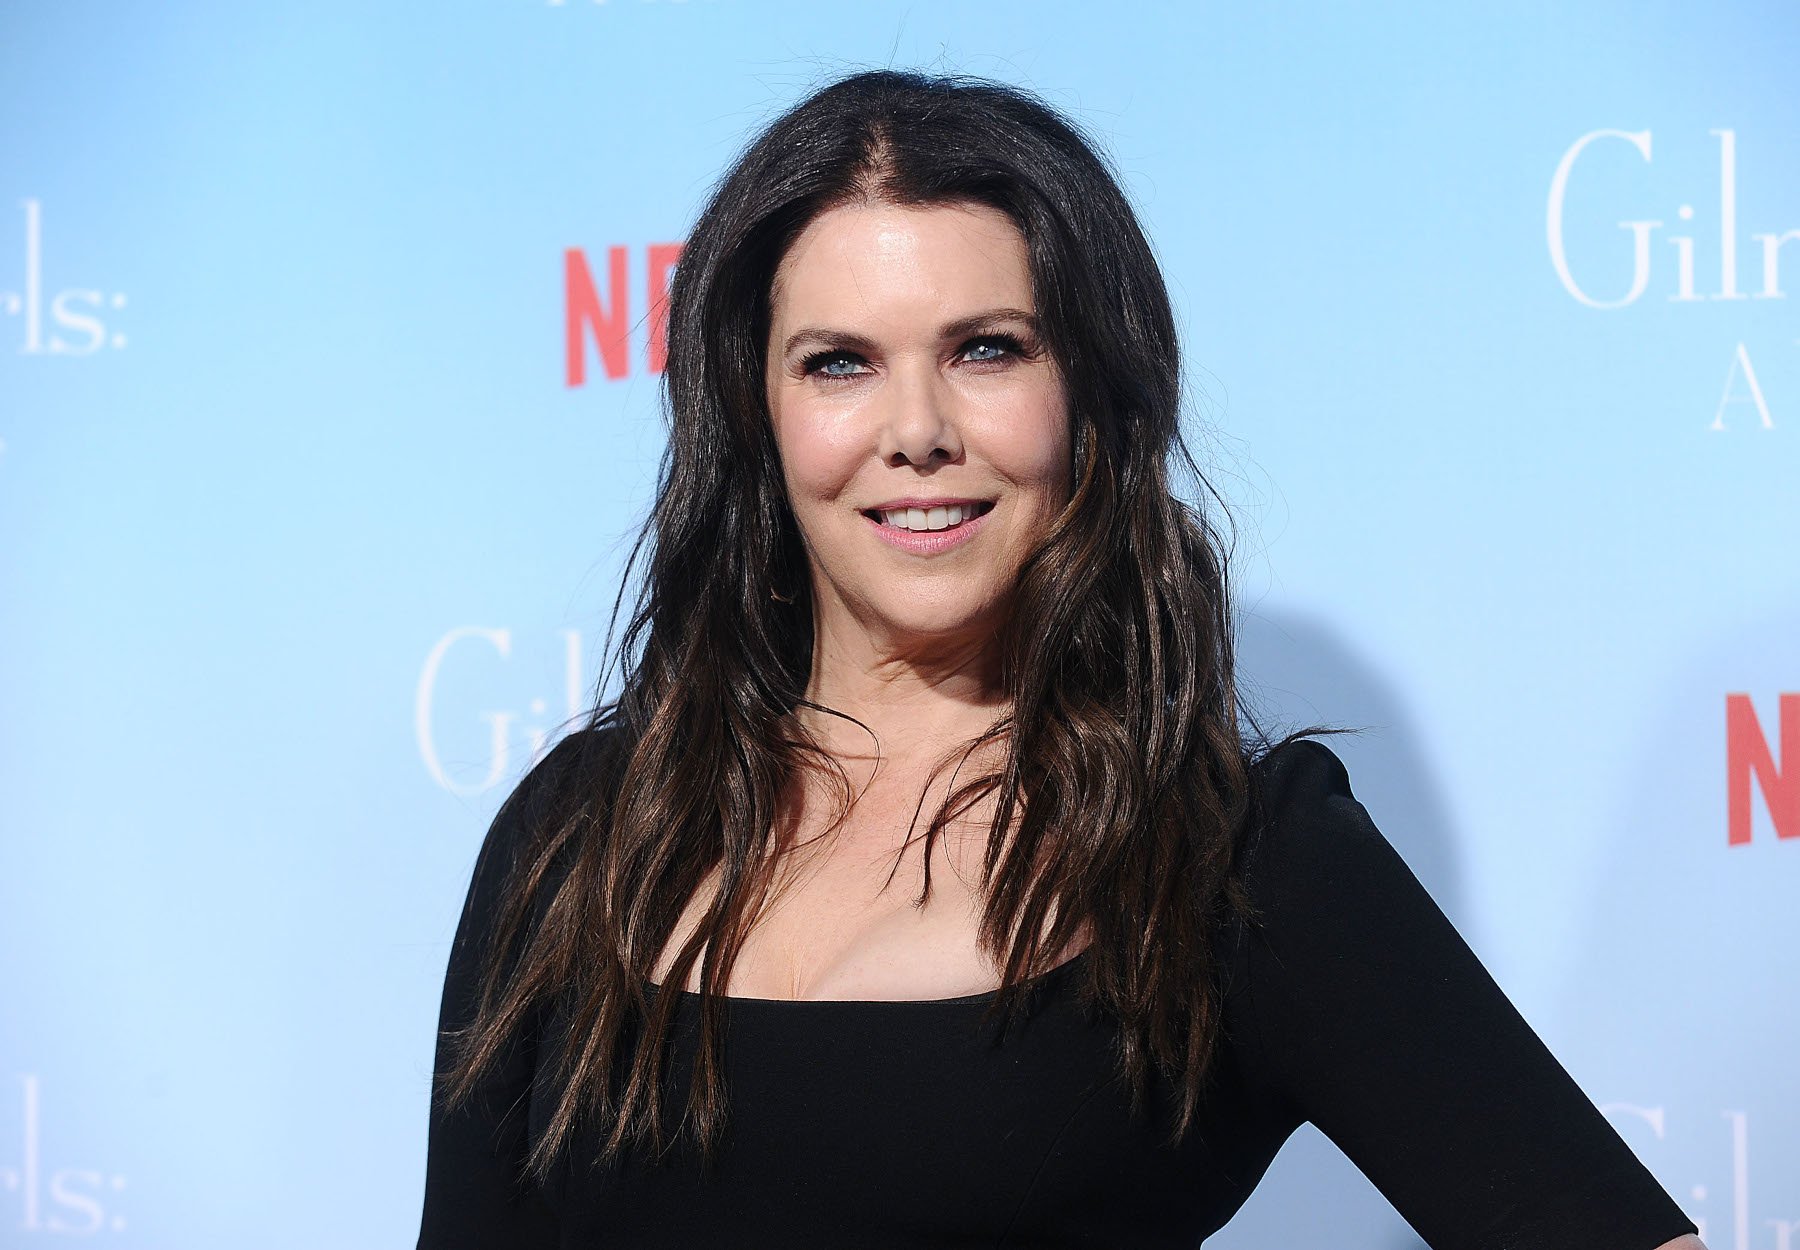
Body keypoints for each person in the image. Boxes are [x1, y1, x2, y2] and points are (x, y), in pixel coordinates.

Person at [416, 69, 1704, 1249]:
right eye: (840, 364)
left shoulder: (1234, 861)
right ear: (757, 413)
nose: (916, 431)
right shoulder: (585, 834)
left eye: (987, 350)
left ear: (1089, 393)